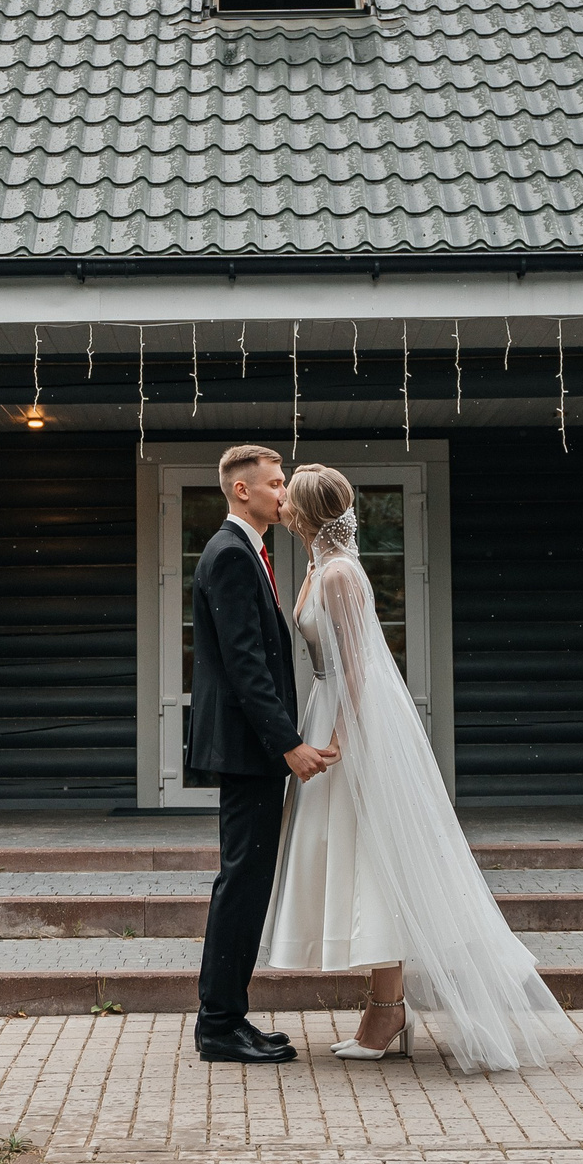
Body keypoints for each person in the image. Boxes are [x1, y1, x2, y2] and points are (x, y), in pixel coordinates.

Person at [262, 463, 578, 1071]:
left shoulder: (340, 577)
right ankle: (387, 1007)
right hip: (324, 708)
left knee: (376, 864)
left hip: (349, 722)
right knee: (355, 860)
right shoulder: (317, 568)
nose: (280, 505)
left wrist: (340, 740)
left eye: (287, 499)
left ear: (302, 513)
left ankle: (387, 1009)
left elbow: (358, 667)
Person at [187, 443, 337, 1063]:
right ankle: (219, 1024)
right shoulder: (228, 554)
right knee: (243, 880)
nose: (285, 492)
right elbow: (246, 665)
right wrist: (290, 745)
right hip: (250, 750)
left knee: (248, 879)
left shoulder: (251, 551)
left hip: (254, 749)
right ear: (242, 490)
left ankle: (227, 1017)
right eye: (276, 484)